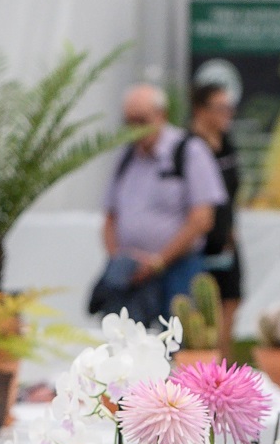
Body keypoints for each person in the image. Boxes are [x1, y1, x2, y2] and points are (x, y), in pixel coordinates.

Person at [101, 82, 226, 328]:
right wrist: (121, 259)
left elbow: (202, 219)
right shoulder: (126, 157)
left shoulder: (189, 150)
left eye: (142, 120)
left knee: (179, 342)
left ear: (161, 116)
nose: (135, 129)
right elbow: (110, 218)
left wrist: (158, 261)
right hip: (132, 274)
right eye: (129, 121)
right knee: (128, 346)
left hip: (179, 268)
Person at [191, 80, 242, 324]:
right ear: (201, 109)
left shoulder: (228, 146)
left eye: (228, 107)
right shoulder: (190, 148)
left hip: (225, 241)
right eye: (220, 107)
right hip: (199, 244)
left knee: (230, 301)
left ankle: (225, 361)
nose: (227, 114)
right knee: (201, 312)